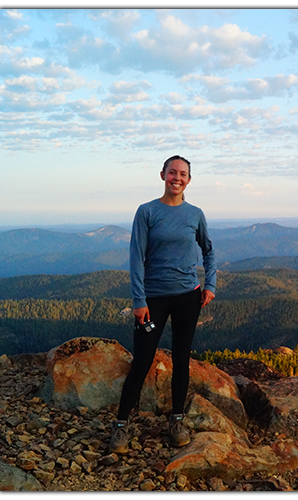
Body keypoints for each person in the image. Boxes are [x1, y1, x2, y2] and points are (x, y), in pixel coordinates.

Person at [109, 155, 217, 454]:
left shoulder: (195, 214)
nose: (177, 178)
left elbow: (208, 251)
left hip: (187, 298)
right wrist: (138, 299)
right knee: (142, 360)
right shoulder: (147, 212)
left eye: (182, 174)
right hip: (153, 300)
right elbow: (135, 257)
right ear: (162, 175)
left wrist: (210, 285)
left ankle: (177, 420)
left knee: (182, 358)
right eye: (172, 172)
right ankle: (121, 424)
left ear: (189, 180)